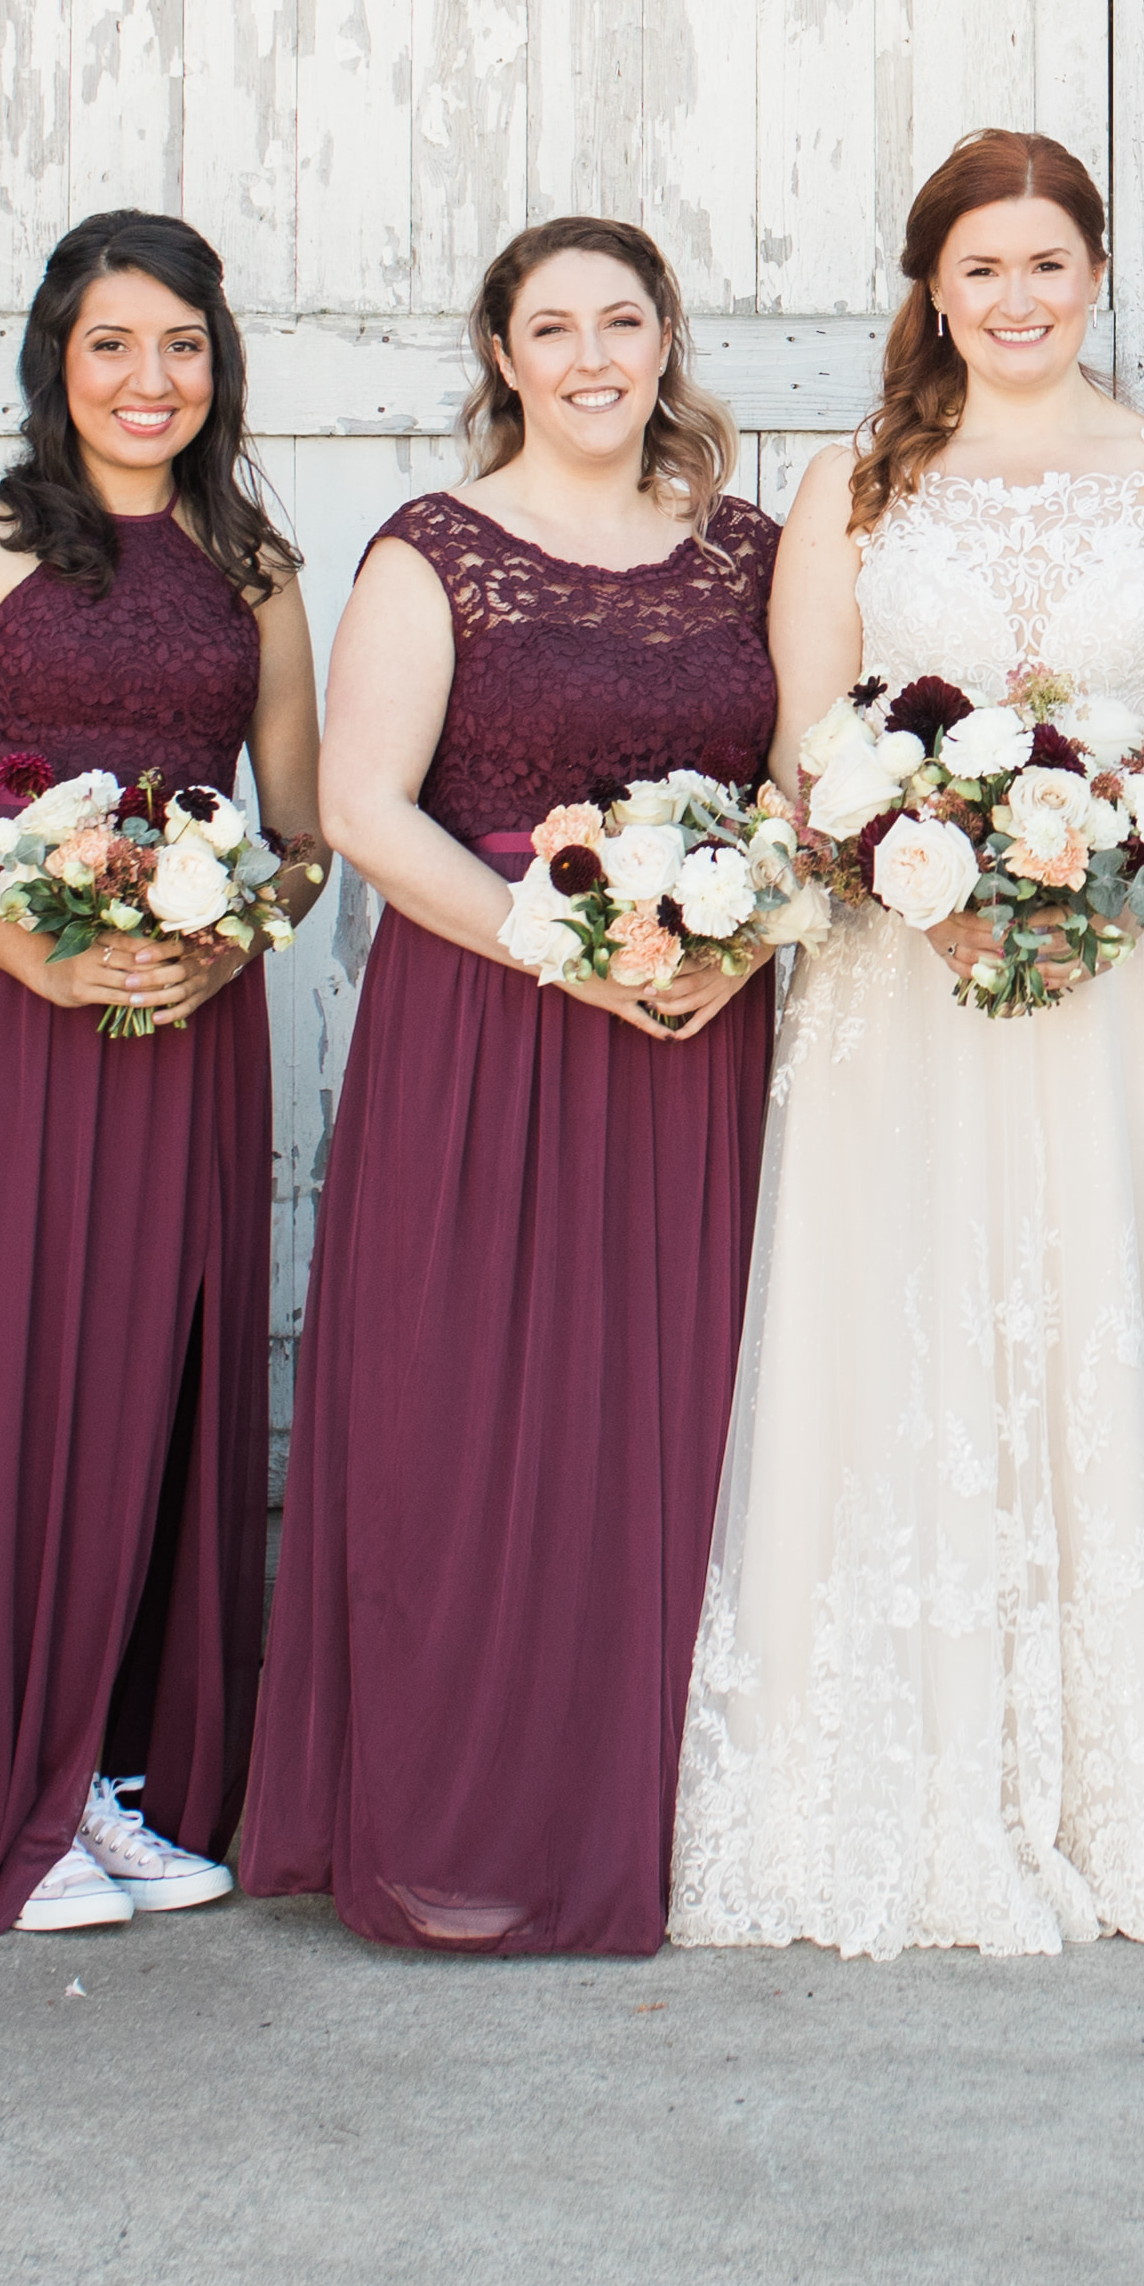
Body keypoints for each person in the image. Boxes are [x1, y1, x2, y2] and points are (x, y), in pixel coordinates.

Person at [668, 129, 1144, 1954]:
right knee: (914, 1335)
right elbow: (806, 739)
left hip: (1129, 986)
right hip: (911, 991)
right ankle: (905, 1774)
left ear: (1097, 274)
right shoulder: (854, 483)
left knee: (1120, 1313)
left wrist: (1108, 886)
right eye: (980, 266)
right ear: (933, 287)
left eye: (1048, 261)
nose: (1017, 296)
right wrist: (930, 885)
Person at [240, 214, 782, 1957]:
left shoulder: (751, 552)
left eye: (622, 319)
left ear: (667, 338)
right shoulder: (433, 549)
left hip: (700, 1028)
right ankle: (471, 1820)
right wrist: (571, 947)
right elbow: (365, 807)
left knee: (683, 1421)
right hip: (489, 1031)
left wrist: (736, 939)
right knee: (472, 1426)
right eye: (550, 326)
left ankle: (670, 1811)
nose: (591, 354)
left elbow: (808, 774)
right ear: (499, 354)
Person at [0, 214, 318, 1942]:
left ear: (218, 361)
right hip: (4, 1004)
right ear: (57, 356)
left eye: (180, 345)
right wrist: (38, 950)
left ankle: (112, 1782)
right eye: (112, 344)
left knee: (155, 1387)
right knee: (5, 1381)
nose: (148, 380)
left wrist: (225, 929)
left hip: (189, 1020)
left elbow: (305, 834)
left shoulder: (255, 566)